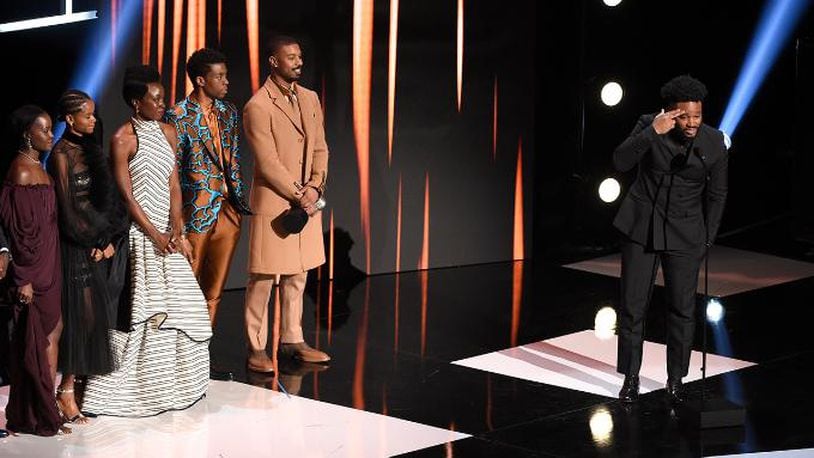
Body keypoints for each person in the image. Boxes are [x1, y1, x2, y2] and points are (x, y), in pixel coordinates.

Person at [81, 65, 212, 416]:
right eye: (155, 99)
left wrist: (178, 231)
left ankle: (176, 386)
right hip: (141, 237)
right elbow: (126, 197)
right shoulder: (123, 138)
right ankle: (132, 390)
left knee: (185, 308)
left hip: (168, 236)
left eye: (162, 97)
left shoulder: (168, 132)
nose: (162, 103)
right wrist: (155, 234)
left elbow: (173, 185)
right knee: (146, 313)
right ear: (137, 103)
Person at [613, 75, 728, 404]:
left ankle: (676, 380)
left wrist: (706, 240)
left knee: (682, 309)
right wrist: (652, 134)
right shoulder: (650, 125)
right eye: (685, 116)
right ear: (671, 112)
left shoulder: (714, 142)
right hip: (641, 226)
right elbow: (620, 161)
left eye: (697, 116)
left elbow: (718, 195)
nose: (691, 123)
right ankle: (631, 378)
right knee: (633, 307)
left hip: (686, 231)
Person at [242, 35, 330, 372]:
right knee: (264, 277)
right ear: (273, 61)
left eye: (300, 55)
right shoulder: (258, 105)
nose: (298, 62)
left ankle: (293, 338)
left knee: (298, 273)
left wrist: (315, 185)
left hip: (306, 199)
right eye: (290, 56)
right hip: (277, 202)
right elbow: (267, 162)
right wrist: (300, 193)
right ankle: (256, 346)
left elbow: (321, 146)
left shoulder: (310, 98)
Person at [48, 90, 127, 424]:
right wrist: (90, 239)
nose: (94, 120)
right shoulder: (61, 155)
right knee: (78, 319)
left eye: (94, 115)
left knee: (93, 318)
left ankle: (75, 388)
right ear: (70, 119)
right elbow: (67, 210)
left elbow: (108, 200)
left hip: (93, 243)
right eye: (88, 115)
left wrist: (106, 239)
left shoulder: (90, 148)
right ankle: (64, 392)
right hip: (72, 246)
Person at [164, 48, 251, 329]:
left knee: (214, 290)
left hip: (228, 208)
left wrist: (237, 198)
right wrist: (177, 225)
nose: (227, 82)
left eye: (226, 75)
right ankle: (179, 354)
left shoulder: (229, 112)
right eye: (220, 76)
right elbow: (172, 170)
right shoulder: (177, 115)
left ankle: (203, 353)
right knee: (185, 289)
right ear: (201, 80)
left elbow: (233, 157)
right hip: (195, 212)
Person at [0, 105, 65, 435]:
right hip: (31, 270)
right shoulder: (22, 172)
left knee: (53, 332)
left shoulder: (40, 169)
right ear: (28, 134)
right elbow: (19, 232)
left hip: (50, 263)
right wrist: (23, 278)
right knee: (33, 341)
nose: (51, 135)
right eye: (45, 130)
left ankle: (45, 406)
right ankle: (36, 412)